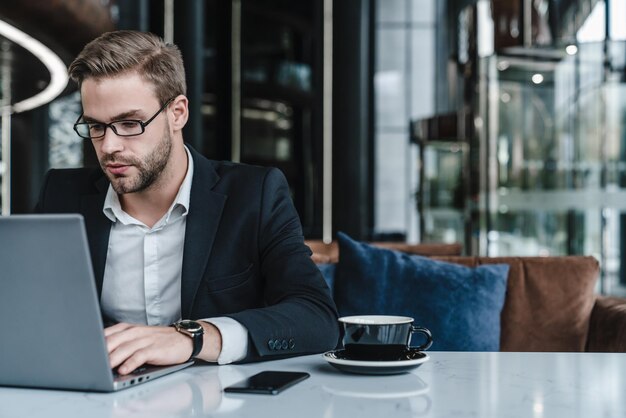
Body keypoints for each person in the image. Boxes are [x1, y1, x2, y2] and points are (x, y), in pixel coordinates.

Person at [35, 30, 339, 375]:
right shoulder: (61, 195)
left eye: (129, 123)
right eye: (95, 127)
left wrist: (192, 338)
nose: (109, 147)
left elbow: (317, 318)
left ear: (177, 113)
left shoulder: (254, 195)